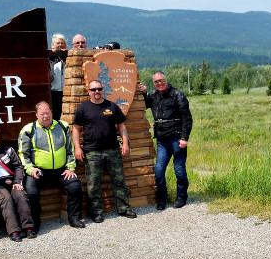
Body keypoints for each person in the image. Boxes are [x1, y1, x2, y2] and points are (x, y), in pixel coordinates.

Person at [72, 80, 137, 222]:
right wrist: (77, 147)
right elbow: (76, 129)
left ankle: (124, 208)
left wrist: (125, 143)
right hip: (92, 152)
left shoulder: (112, 106)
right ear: (88, 91)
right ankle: (96, 212)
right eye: (93, 89)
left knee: (119, 181)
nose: (96, 92)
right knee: (93, 184)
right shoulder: (83, 108)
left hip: (113, 150)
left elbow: (122, 126)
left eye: (99, 89)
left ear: (103, 90)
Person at [19, 101, 84, 230]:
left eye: (47, 113)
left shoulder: (63, 126)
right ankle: (34, 224)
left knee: (75, 186)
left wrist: (70, 167)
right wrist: (30, 169)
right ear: (36, 114)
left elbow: (70, 149)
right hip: (38, 170)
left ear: (51, 112)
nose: (45, 116)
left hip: (61, 170)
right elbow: (22, 154)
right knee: (31, 193)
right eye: (42, 114)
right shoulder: (28, 130)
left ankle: (74, 218)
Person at [138, 71, 193, 210]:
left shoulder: (177, 95)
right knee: (158, 170)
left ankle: (181, 198)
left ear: (166, 80)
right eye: (156, 82)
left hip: (177, 138)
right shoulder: (153, 95)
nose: (159, 83)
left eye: (161, 80)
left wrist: (184, 138)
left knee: (179, 170)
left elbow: (187, 118)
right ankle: (161, 199)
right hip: (162, 140)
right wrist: (144, 93)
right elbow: (144, 105)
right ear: (154, 83)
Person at [0, 127, 36, 242]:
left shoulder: (8, 150)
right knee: (6, 199)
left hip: (11, 180)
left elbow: (18, 166)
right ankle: (14, 230)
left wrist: (17, 182)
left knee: (21, 196)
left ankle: (28, 227)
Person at [49, 33, 68, 120]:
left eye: (62, 43)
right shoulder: (50, 57)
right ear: (53, 45)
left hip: (67, 90)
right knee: (55, 114)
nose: (60, 45)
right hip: (54, 91)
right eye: (58, 43)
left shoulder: (69, 56)